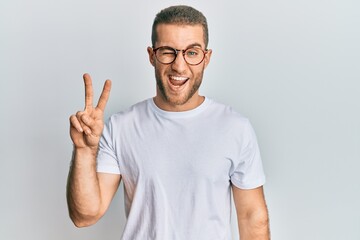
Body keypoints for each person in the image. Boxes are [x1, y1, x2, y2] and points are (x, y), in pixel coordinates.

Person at [67, 5, 270, 240]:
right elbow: (84, 216)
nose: (179, 65)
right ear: (152, 56)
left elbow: (252, 217)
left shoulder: (235, 128)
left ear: (207, 58)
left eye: (192, 52)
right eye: (167, 51)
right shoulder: (121, 127)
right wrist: (84, 150)